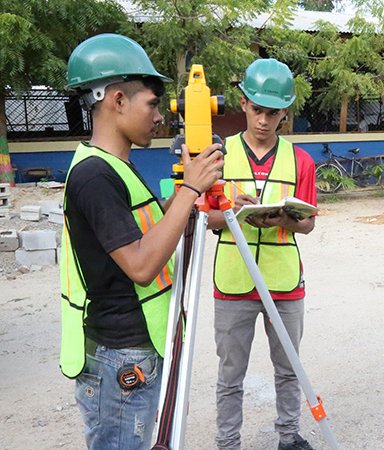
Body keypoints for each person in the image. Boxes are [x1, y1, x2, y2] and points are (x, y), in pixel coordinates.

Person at [59, 33, 223, 449]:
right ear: (116, 100)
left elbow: (143, 229)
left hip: (135, 347)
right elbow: (141, 265)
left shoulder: (117, 167)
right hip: (119, 355)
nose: (160, 117)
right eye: (151, 104)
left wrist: (194, 197)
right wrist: (189, 191)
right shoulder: (95, 176)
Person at [206, 58, 318, 450]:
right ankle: (227, 443)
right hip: (234, 279)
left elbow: (308, 223)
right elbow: (208, 220)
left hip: (284, 280)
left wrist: (277, 220)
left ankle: (288, 437)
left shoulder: (301, 160)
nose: (264, 120)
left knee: (289, 369)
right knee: (230, 373)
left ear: (284, 112)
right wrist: (233, 212)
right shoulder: (218, 156)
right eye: (257, 110)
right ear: (243, 104)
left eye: (273, 113)